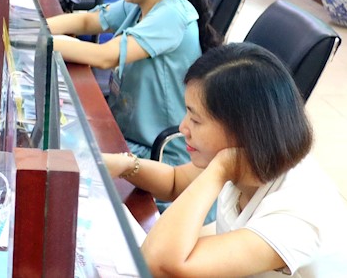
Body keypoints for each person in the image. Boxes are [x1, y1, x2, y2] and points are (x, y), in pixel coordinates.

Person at [104, 43, 347, 277]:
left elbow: (158, 263)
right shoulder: (254, 155)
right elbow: (175, 181)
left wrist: (219, 169)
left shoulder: (297, 213)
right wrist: (126, 165)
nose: (183, 127)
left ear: (245, 131)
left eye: (196, 120)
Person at [47, 0, 220, 161]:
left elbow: (104, 57)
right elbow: (87, 20)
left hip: (161, 153)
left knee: (62, 152)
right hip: (128, 133)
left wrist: (45, 41)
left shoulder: (172, 15)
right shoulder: (141, 3)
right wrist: (38, 27)